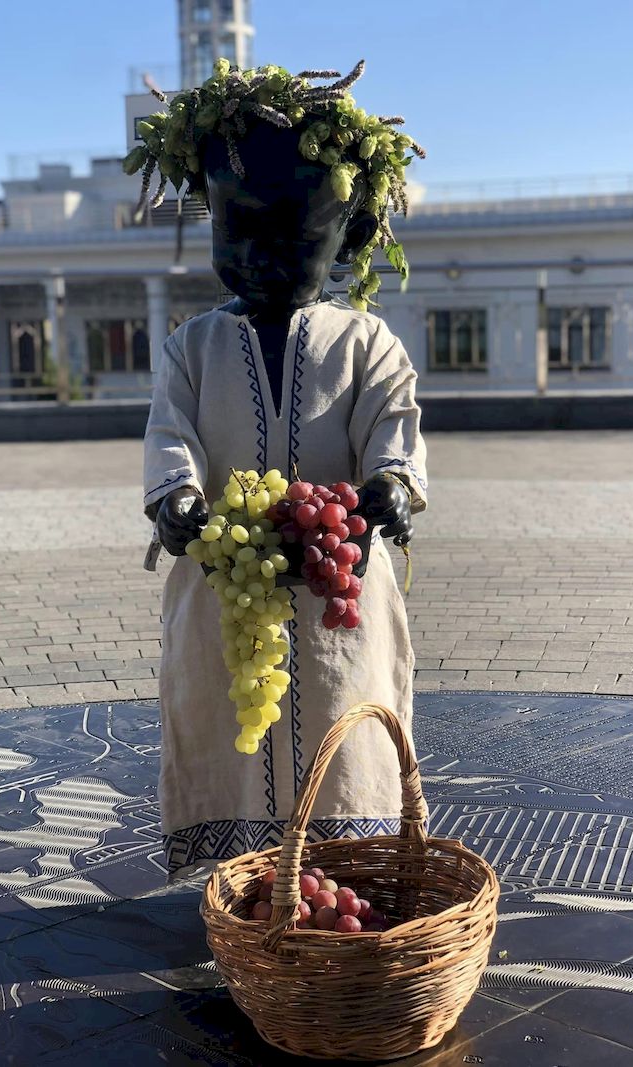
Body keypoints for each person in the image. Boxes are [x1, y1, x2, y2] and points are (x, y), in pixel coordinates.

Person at [129, 60, 428, 879]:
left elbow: (393, 430)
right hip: (224, 584)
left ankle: (343, 874)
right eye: (241, 230)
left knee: (343, 716)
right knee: (225, 716)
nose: (260, 256)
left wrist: (390, 490)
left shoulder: (367, 343)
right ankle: (241, 886)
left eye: (292, 236)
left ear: (352, 236)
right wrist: (177, 497)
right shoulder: (192, 344)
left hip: (337, 585)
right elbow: (172, 432)